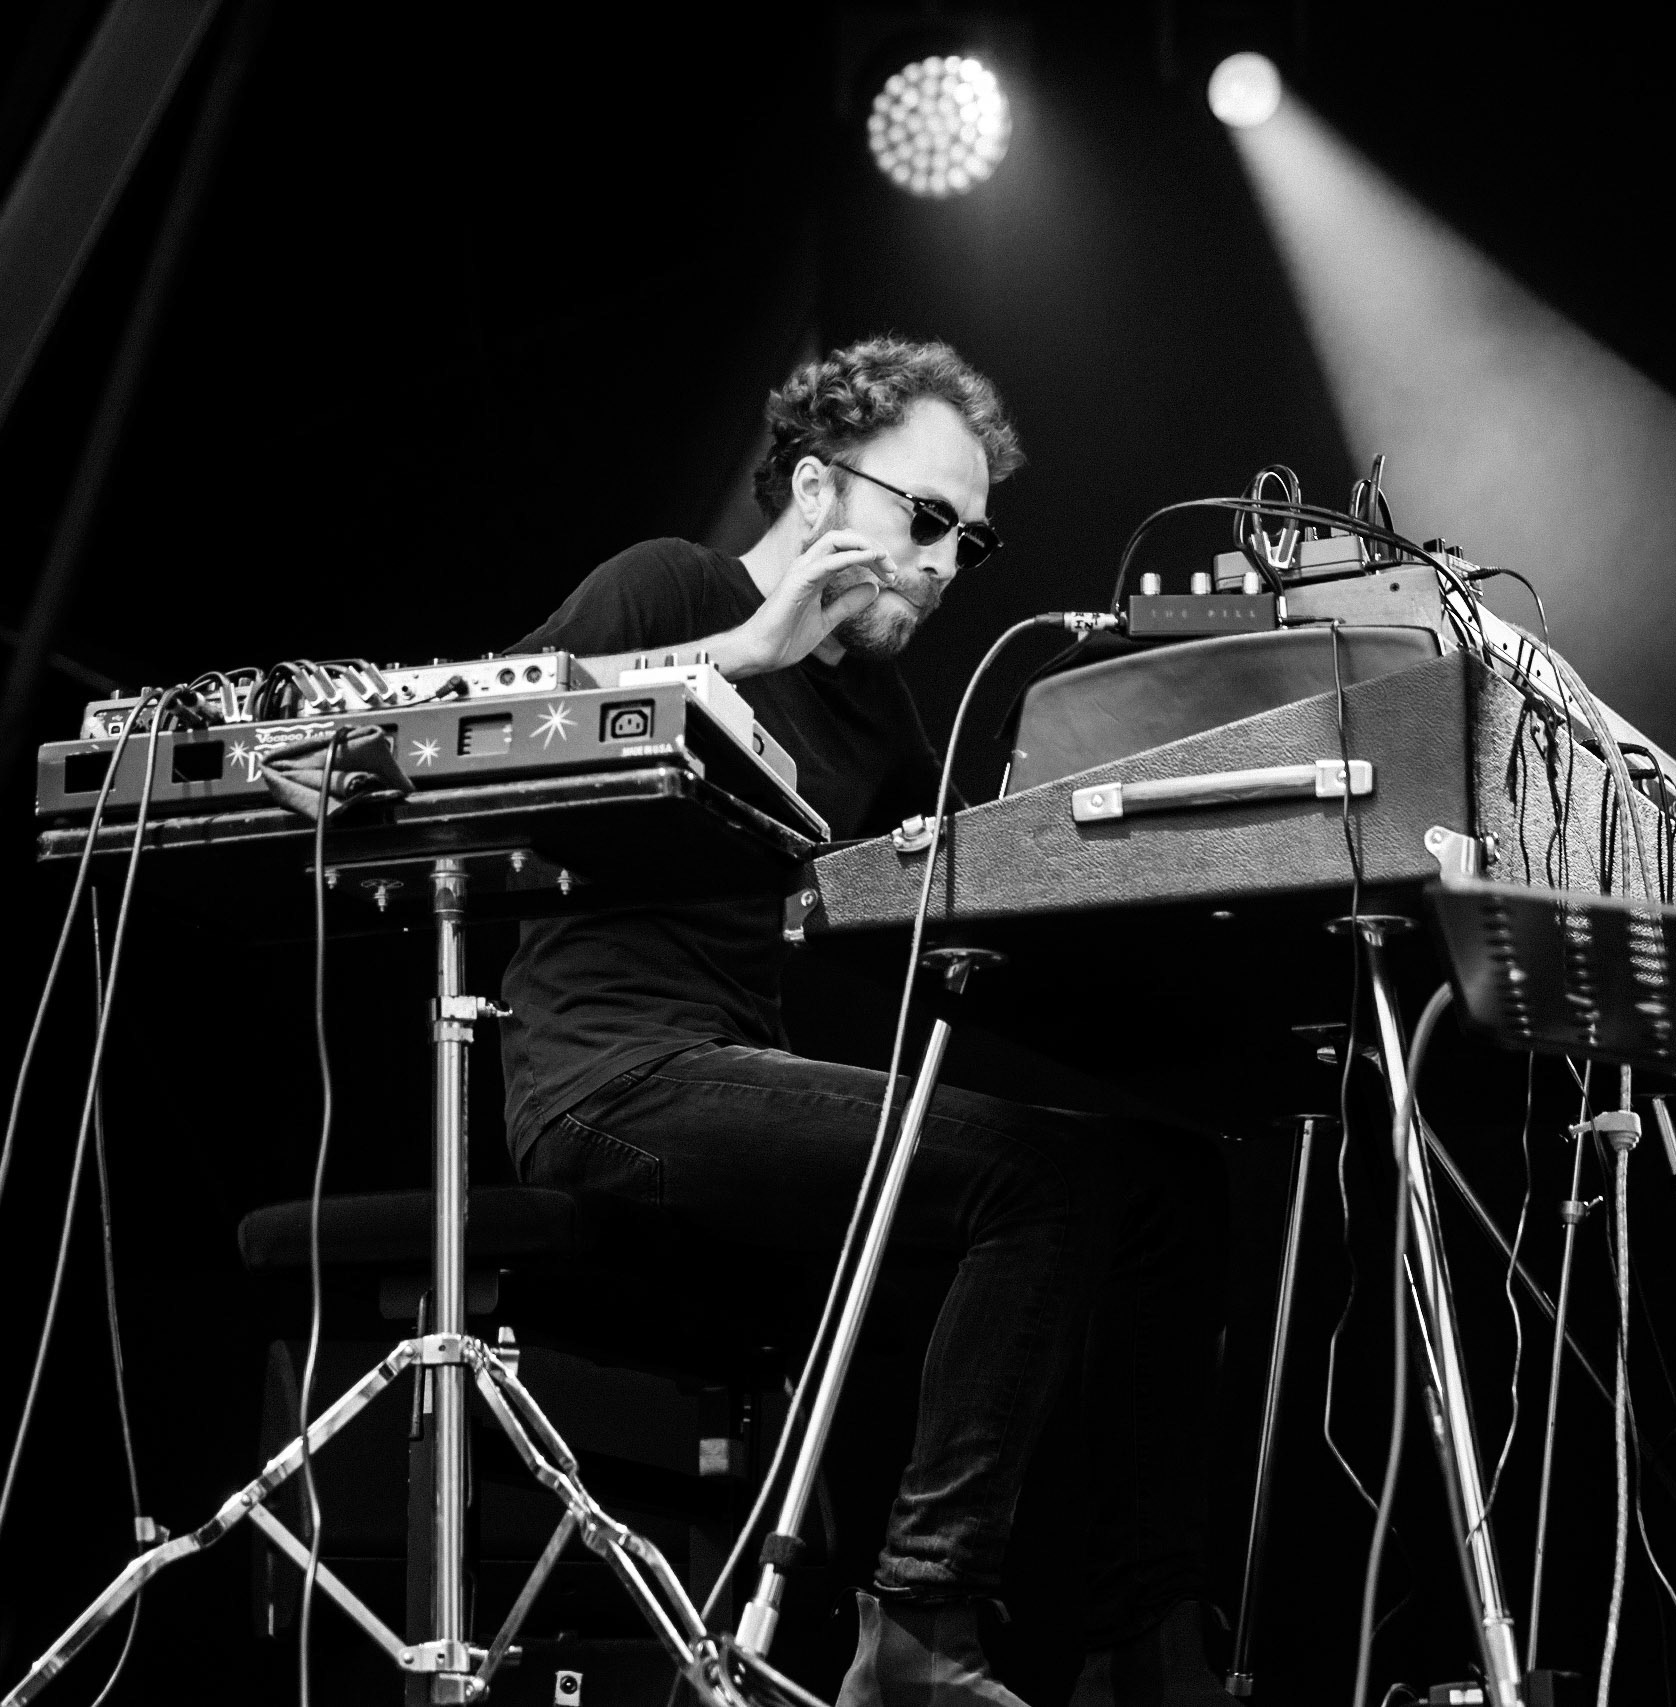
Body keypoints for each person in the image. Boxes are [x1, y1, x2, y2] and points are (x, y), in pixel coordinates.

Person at [500, 336, 1233, 1707]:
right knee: (1045, 1180)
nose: (951, 563)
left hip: (734, 1073)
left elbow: (948, 904)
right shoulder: (672, 584)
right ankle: (919, 1626)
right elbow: (486, 725)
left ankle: (1147, 1648)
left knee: (1163, 1184)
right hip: (611, 1077)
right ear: (823, 488)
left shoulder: (876, 708)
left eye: (976, 539)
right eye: (929, 519)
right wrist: (743, 649)